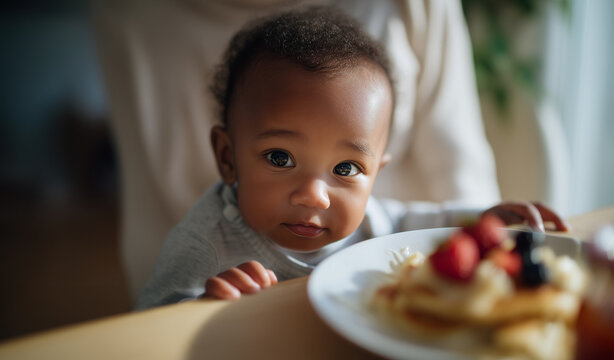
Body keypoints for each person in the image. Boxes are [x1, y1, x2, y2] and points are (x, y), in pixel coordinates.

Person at [136, 7, 567, 310]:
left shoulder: (367, 222)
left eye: (345, 169)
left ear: (376, 173)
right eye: (280, 157)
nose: (314, 196)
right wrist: (204, 310)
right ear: (228, 157)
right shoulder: (205, 246)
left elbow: (407, 225)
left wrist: (482, 219)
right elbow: (142, 335)